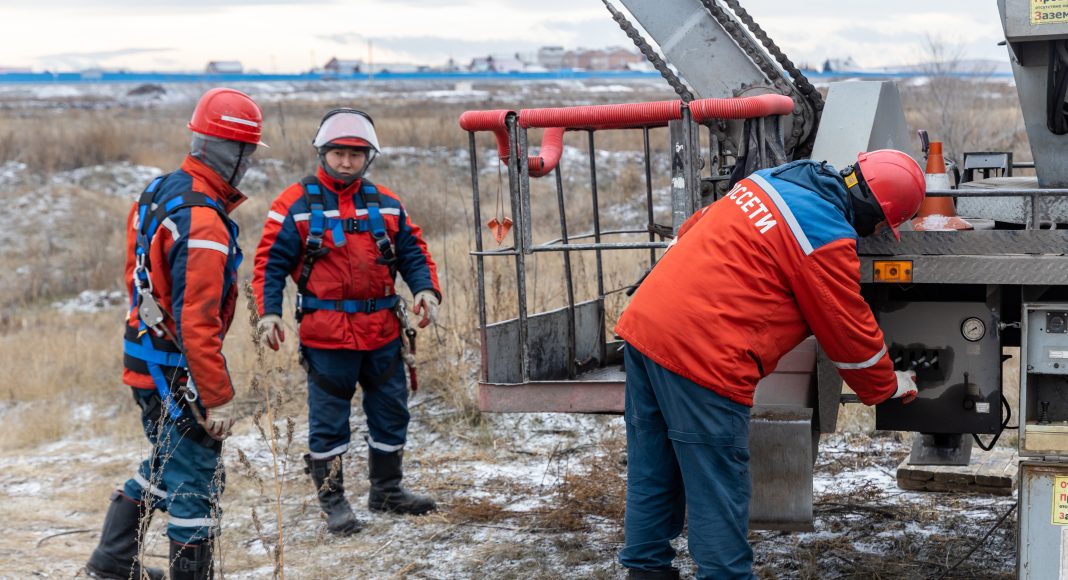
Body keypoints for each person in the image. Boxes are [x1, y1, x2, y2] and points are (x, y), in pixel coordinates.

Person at [613, 150, 926, 579]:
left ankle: (645, 571)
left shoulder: (773, 181)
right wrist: (888, 385)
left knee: (652, 466)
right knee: (717, 485)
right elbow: (848, 330)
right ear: (877, 218)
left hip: (645, 328)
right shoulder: (825, 235)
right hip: (703, 355)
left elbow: (692, 227)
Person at [86, 87, 264, 580]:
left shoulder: (160, 189)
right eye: (245, 153)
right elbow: (196, 322)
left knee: (167, 464)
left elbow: (137, 277)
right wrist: (218, 397)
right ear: (234, 153)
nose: (247, 163)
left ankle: (111, 562)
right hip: (173, 372)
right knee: (194, 485)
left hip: (146, 359)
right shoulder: (204, 221)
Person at [252, 108, 441, 536]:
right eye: (337, 152)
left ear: (368, 157)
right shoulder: (293, 205)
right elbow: (269, 263)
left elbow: (413, 252)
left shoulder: (387, 204)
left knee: (392, 414)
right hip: (327, 338)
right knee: (329, 424)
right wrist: (268, 313)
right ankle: (333, 503)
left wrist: (426, 288)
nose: (345, 162)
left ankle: (387, 492)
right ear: (323, 151)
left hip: (383, 335)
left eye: (355, 154)